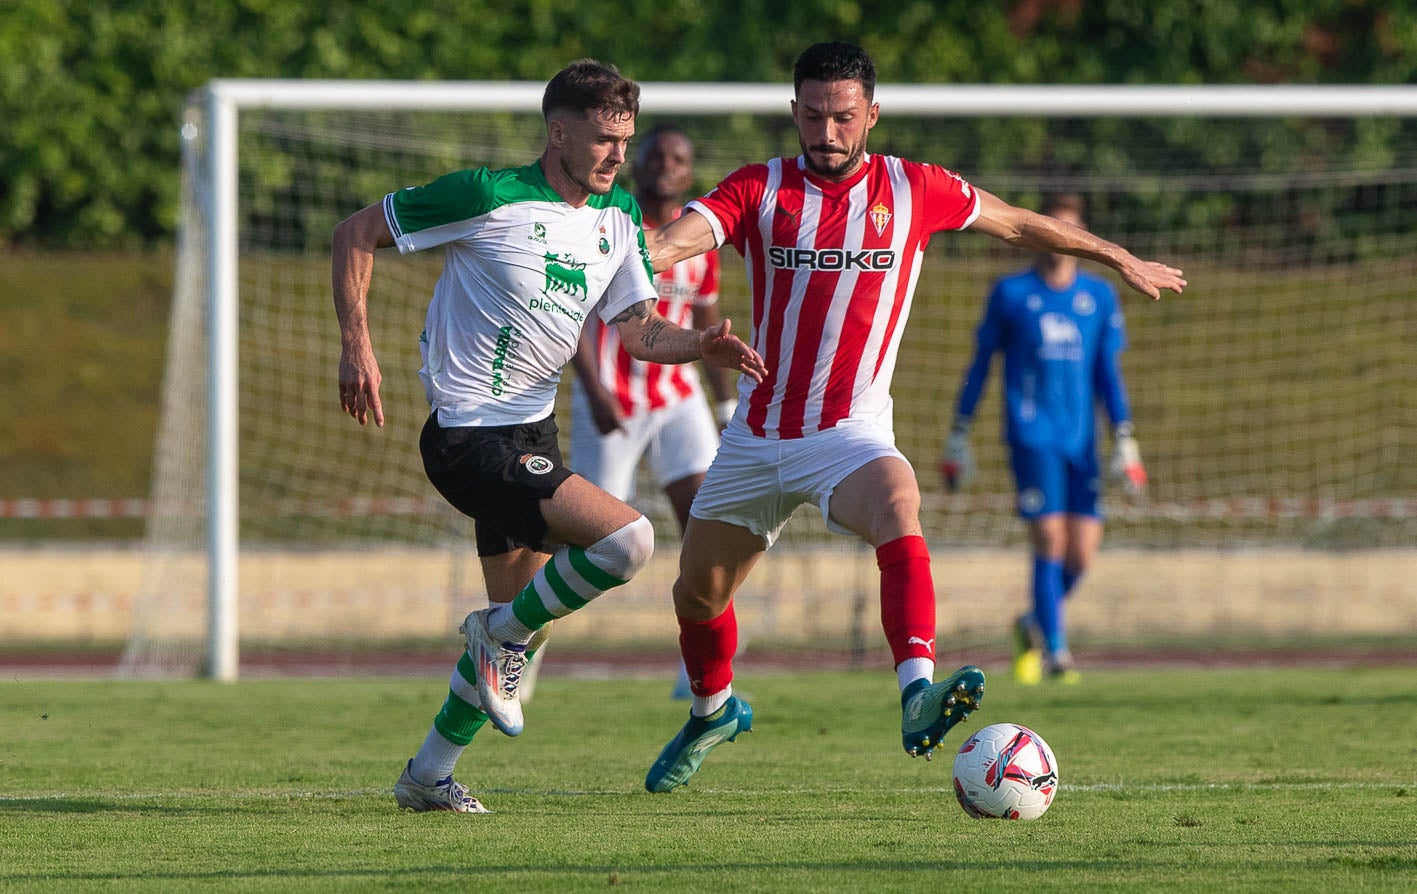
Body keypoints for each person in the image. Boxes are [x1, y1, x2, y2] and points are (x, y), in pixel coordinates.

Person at [636, 42, 1185, 792]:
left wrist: (1112, 253)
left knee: (899, 502)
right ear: (793, 111)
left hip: (848, 433)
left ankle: (916, 692)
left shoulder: (912, 187)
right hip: (757, 433)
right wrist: (613, 256)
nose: (826, 133)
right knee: (695, 597)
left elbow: (1019, 224)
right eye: (812, 116)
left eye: (842, 117)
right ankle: (712, 710)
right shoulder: (759, 189)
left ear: (871, 114)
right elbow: (673, 243)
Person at [330, 58, 765, 814]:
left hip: (532, 429)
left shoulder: (618, 216)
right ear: (557, 132)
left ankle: (427, 772)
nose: (615, 155)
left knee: (523, 627)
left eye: (623, 140)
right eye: (601, 139)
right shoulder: (487, 195)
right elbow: (354, 232)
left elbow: (637, 330)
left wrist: (700, 346)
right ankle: (493, 633)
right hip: (468, 438)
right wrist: (356, 344)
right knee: (627, 543)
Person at [941, 193, 1148, 686]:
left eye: (1068, 232)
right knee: (1050, 539)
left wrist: (1125, 438)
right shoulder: (1012, 295)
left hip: (1083, 441)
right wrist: (959, 435)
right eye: (1049, 229)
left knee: (1082, 555)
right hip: (1032, 436)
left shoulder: (1098, 297)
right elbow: (981, 365)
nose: (1058, 242)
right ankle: (1056, 652)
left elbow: (1107, 373)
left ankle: (1031, 623)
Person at [569, 123, 736, 699]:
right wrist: (594, 392)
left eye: (679, 157)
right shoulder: (606, 225)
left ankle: (699, 675)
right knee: (591, 542)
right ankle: (517, 640)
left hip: (677, 400)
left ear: (691, 173)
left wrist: (728, 403)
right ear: (637, 161)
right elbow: (573, 318)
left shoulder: (697, 241)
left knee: (707, 528)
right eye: (656, 153)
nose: (666, 163)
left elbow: (706, 323)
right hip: (613, 400)